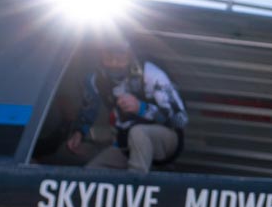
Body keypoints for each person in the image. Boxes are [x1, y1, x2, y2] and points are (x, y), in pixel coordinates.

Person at [66, 35, 187, 172]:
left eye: (120, 56)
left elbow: (180, 119)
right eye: (109, 55)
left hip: (166, 140)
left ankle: (135, 184)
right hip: (127, 144)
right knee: (91, 173)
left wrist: (141, 108)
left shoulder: (151, 73)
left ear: (130, 55)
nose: (114, 62)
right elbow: (89, 108)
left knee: (138, 132)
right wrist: (79, 132)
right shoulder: (97, 80)